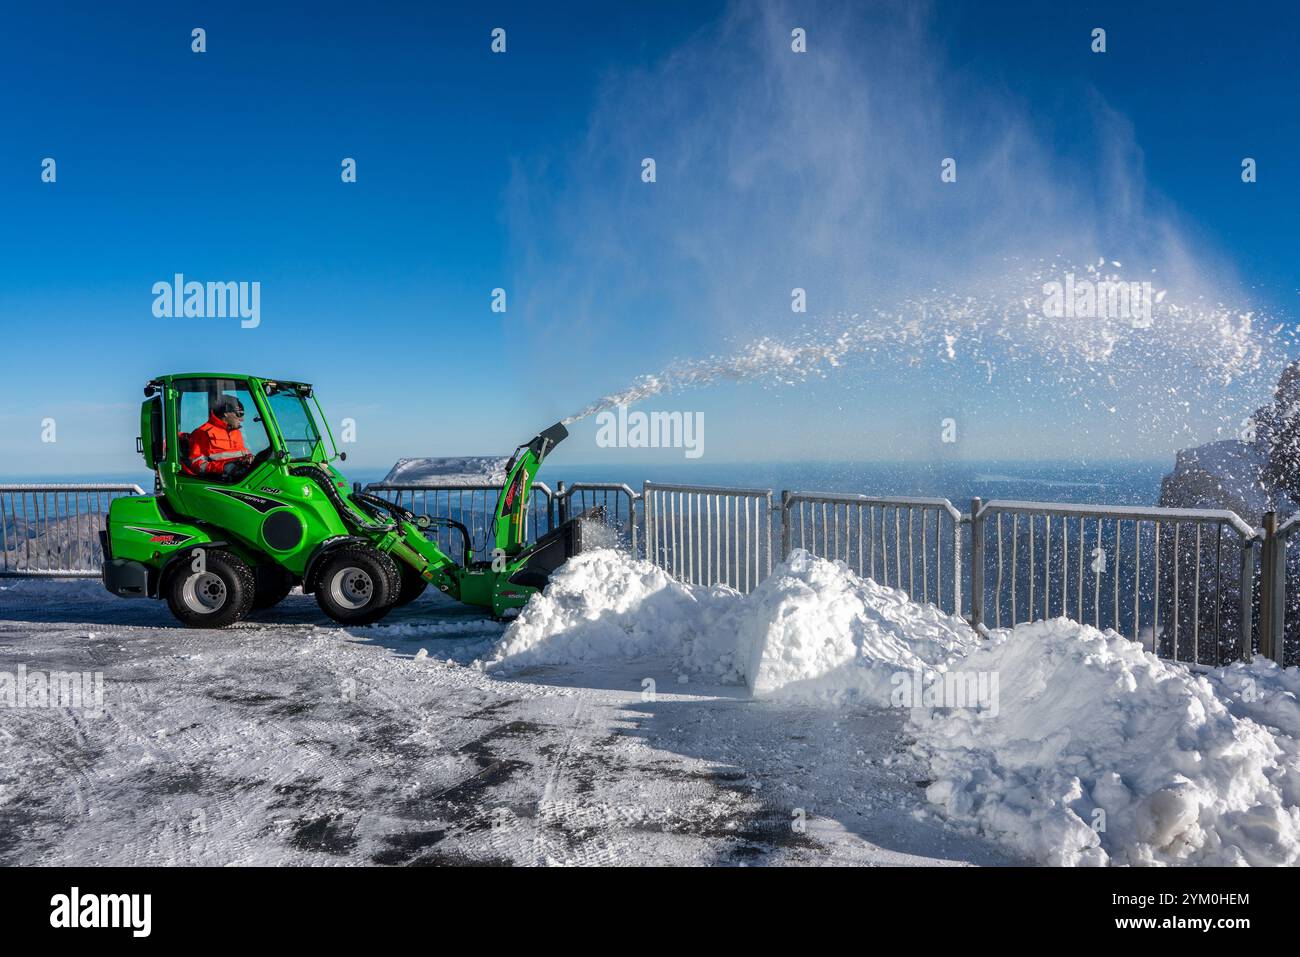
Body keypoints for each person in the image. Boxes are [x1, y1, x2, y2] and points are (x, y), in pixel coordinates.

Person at [184, 396, 255, 479]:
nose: (242, 419)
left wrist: (249, 458)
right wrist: (225, 467)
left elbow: (240, 454)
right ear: (226, 413)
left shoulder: (237, 432)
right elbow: (196, 465)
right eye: (239, 414)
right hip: (219, 481)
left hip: (239, 478)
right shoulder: (202, 432)